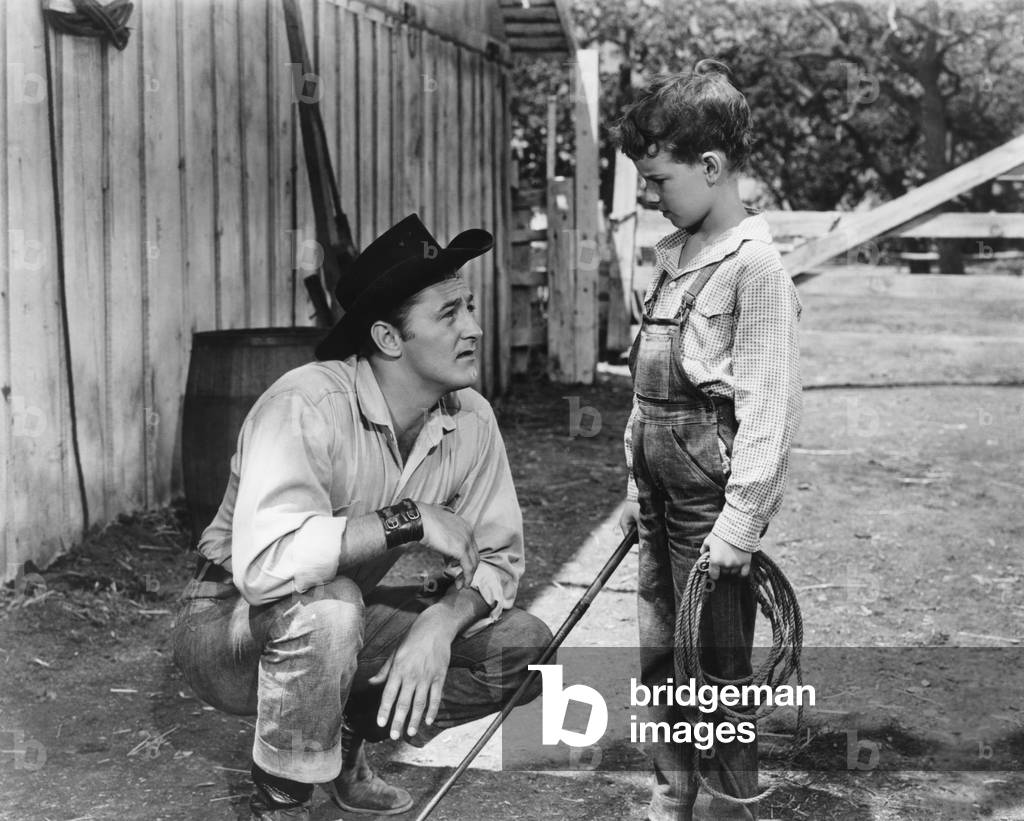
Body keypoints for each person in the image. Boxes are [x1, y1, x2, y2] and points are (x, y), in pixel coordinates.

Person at [171, 214, 553, 820]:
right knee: (332, 605)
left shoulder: (471, 418)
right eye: (449, 314)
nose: (475, 329)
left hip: (346, 617)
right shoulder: (306, 404)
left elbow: (500, 562)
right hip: (228, 627)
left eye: (470, 309)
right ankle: (279, 801)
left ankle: (348, 737)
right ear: (388, 338)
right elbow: (267, 570)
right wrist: (410, 519)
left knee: (525, 645)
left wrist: (441, 625)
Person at [613, 60, 802, 821]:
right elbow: (645, 390)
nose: (652, 197)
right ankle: (671, 797)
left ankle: (728, 807)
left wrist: (740, 523)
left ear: (713, 167)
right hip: (660, 503)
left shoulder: (753, 267)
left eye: (659, 180)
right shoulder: (672, 260)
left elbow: (770, 406)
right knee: (662, 661)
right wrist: (633, 480)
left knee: (715, 673)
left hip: (709, 515)